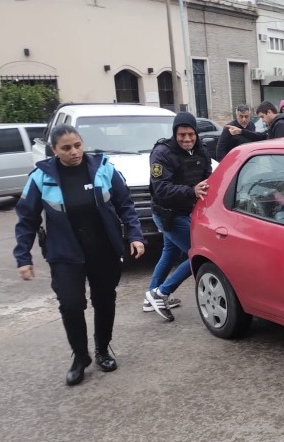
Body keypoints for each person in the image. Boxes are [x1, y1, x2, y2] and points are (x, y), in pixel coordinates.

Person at [13, 124, 145, 386]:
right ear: (54, 150)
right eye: (66, 148)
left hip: (103, 251)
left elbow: (125, 204)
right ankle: (80, 357)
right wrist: (23, 258)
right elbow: (26, 219)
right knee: (71, 305)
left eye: (77, 145)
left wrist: (136, 235)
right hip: (64, 254)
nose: (74, 152)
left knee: (105, 301)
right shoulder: (41, 176)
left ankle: (102, 349)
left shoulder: (103, 168)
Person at [144, 112, 212, 322]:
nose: (187, 139)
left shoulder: (201, 150)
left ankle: (150, 297)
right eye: (182, 134)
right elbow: (161, 188)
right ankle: (162, 293)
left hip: (187, 212)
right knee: (198, 253)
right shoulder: (161, 153)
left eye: (191, 134)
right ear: (175, 134)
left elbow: (208, 178)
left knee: (170, 253)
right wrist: (191, 191)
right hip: (168, 215)